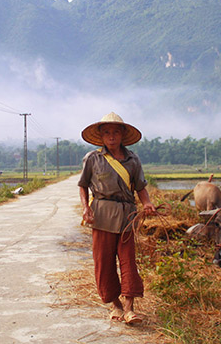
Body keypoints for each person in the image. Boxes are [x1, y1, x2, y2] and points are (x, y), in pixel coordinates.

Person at [78, 112, 156, 325]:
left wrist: (147, 203)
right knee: (103, 262)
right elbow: (83, 185)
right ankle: (116, 305)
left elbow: (140, 187)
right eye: (107, 133)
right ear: (101, 137)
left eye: (115, 132)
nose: (111, 136)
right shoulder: (93, 159)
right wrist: (86, 208)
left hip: (127, 215)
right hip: (102, 214)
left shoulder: (133, 159)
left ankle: (130, 308)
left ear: (122, 135)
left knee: (128, 260)